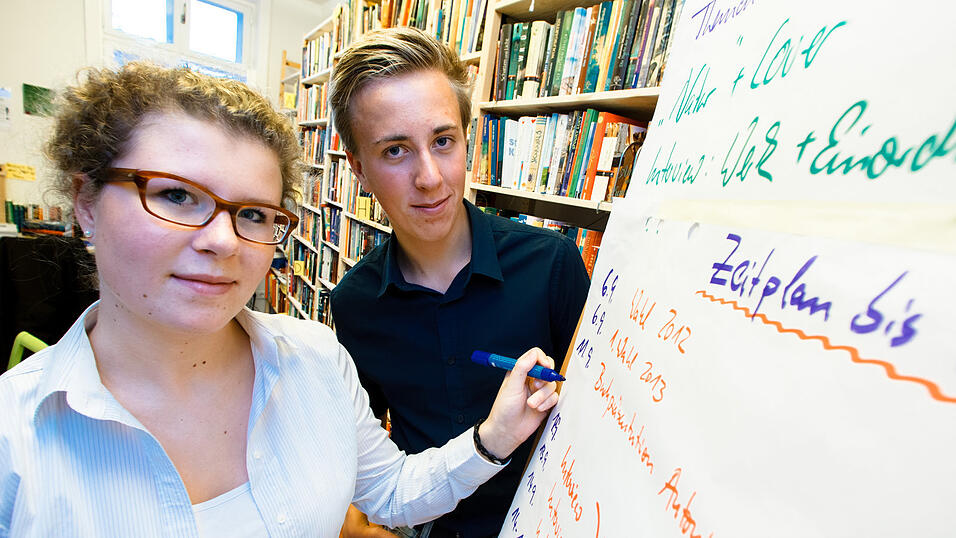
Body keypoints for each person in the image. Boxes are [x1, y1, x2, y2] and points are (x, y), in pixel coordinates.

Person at [0, 61, 560, 536]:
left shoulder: (316, 360)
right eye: (177, 196)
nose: (222, 241)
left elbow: (389, 490)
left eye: (252, 213)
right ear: (87, 203)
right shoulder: (14, 437)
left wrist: (494, 436)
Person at [329, 28, 591, 537]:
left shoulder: (550, 264)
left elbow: (597, 417)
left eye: (443, 141)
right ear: (358, 169)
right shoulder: (354, 304)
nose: (430, 177)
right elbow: (362, 464)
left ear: (468, 140)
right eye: (396, 151)